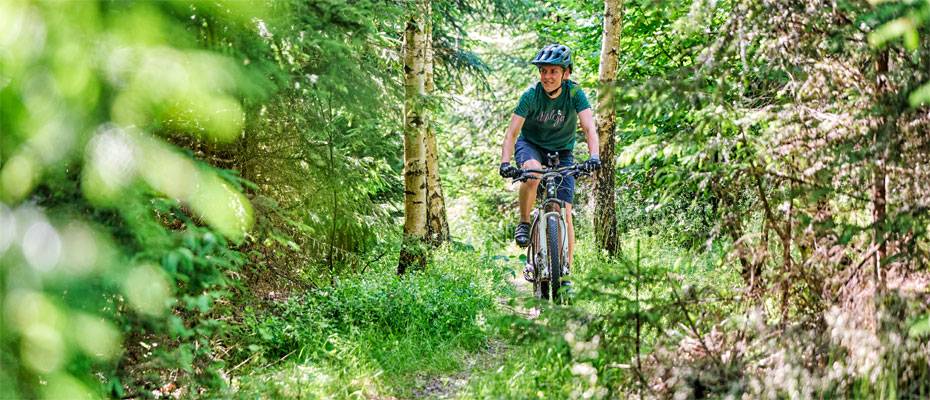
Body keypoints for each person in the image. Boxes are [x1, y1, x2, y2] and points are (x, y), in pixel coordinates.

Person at [498, 43, 601, 273]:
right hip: (531, 145)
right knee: (533, 173)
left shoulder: (574, 93)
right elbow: (512, 133)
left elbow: (589, 128)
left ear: (566, 73)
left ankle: (565, 275)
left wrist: (594, 156)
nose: (547, 76)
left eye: (553, 71)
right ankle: (525, 222)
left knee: (564, 210)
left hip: (562, 152)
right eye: (543, 71)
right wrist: (505, 162)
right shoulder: (531, 96)